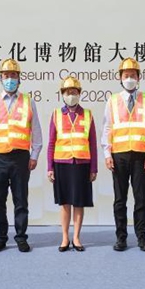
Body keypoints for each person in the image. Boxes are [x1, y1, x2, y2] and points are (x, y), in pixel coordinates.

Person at [0, 58, 43, 253]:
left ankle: (21, 237)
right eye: (6, 75)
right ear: (1, 78)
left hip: (20, 158)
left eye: (13, 75)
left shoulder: (28, 101)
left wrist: (34, 155)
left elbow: (36, 129)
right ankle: (0, 237)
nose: (10, 79)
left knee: (20, 199)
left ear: (19, 78)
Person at [102, 57, 145, 252]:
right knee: (120, 199)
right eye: (126, 75)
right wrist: (107, 154)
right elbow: (107, 128)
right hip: (119, 155)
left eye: (133, 75)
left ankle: (142, 237)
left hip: (141, 156)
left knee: (141, 198)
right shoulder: (112, 101)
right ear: (120, 78)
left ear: (139, 77)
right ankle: (121, 238)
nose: (129, 79)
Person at [47, 76, 97, 252]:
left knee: (79, 202)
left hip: (82, 165)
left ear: (79, 94)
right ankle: (64, 237)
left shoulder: (88, 114)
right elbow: (51, 143)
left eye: (74, 92)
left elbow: (92, 143)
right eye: (68, 92)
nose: (71, 96)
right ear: (62, 94)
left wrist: (94, 168)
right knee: (64, 202)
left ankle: (76, 237)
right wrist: (49, 167)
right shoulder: (56, 114)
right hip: (62, 163)